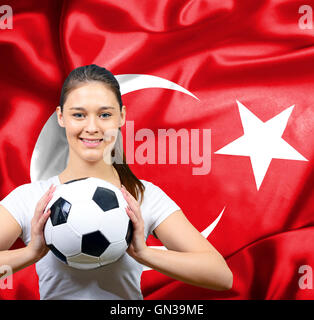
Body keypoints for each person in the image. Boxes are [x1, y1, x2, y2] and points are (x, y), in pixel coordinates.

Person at [0, 64, 233, 300]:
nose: (92, 127)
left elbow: (220, 275)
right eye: (78, 114)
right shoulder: (32, 198)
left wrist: (144, 254)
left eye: (105, 114)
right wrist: (30, 253)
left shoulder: (142, 196)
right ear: (61, 117)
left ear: (121, 116)